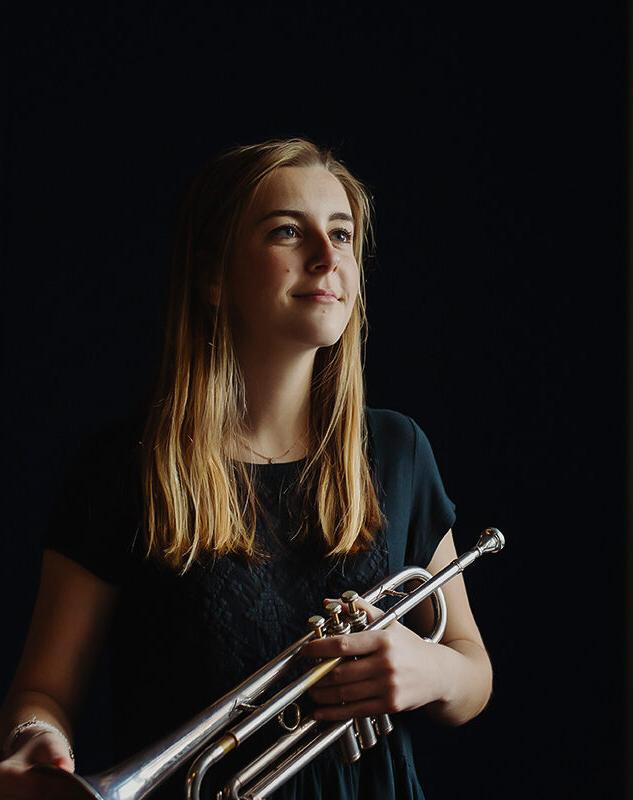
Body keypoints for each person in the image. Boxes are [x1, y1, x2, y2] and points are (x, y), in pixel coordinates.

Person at [0, 137, 494, 799]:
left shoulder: (398, 452)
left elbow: (471, 670)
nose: (327, 257)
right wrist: (37, 736)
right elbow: (43, 691)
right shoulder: (122, 468)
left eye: (342, 234)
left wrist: (431, 673)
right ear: (212, 276)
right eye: (288, 232)